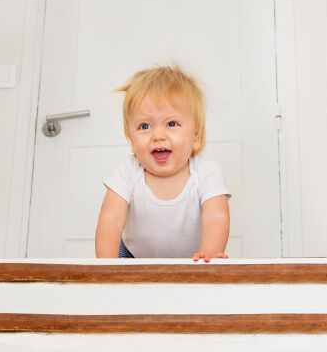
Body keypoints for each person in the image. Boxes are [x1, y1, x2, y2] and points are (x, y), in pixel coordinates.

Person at [95, 65, 231, 262]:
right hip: (133, 257)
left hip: (192, 258)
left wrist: (208, 257)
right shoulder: (128, 172)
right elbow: (111, 220)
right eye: (145, 126)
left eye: (171, 124)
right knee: (115, 260)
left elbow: (216, 218)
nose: (158, 135)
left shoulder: (206, 172)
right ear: (131, 139)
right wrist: (107, 267)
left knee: (214, 265)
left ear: (196, 137)